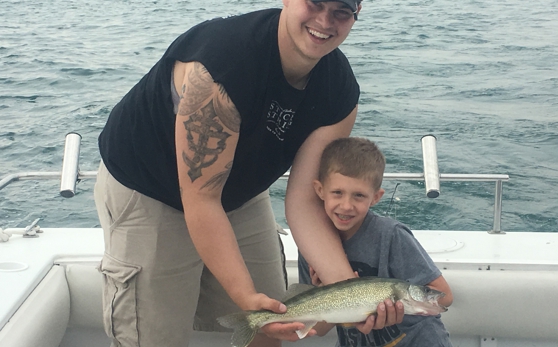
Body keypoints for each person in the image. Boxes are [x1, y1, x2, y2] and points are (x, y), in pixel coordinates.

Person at [93, 1, 404, 347]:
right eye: (315, 3)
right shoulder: (224, 64)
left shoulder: (339, 91)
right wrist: (244, 297)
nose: (325, 20)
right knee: (155, 339)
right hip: (150, 190)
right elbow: (201, 198)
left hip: (236, 193)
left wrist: (356, 297)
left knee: (269, 327)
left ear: (357, 13)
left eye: (342, 10)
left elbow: (303, 203)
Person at [298, 137, 454, 347]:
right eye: (337, 193)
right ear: (319, 190)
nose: (346, 206)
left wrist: (400, 308)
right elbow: (319, 329)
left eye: (359, 196)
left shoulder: (391, 235)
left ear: (376, 197)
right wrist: (324, 290)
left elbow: (445, 297)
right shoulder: (310, 243)